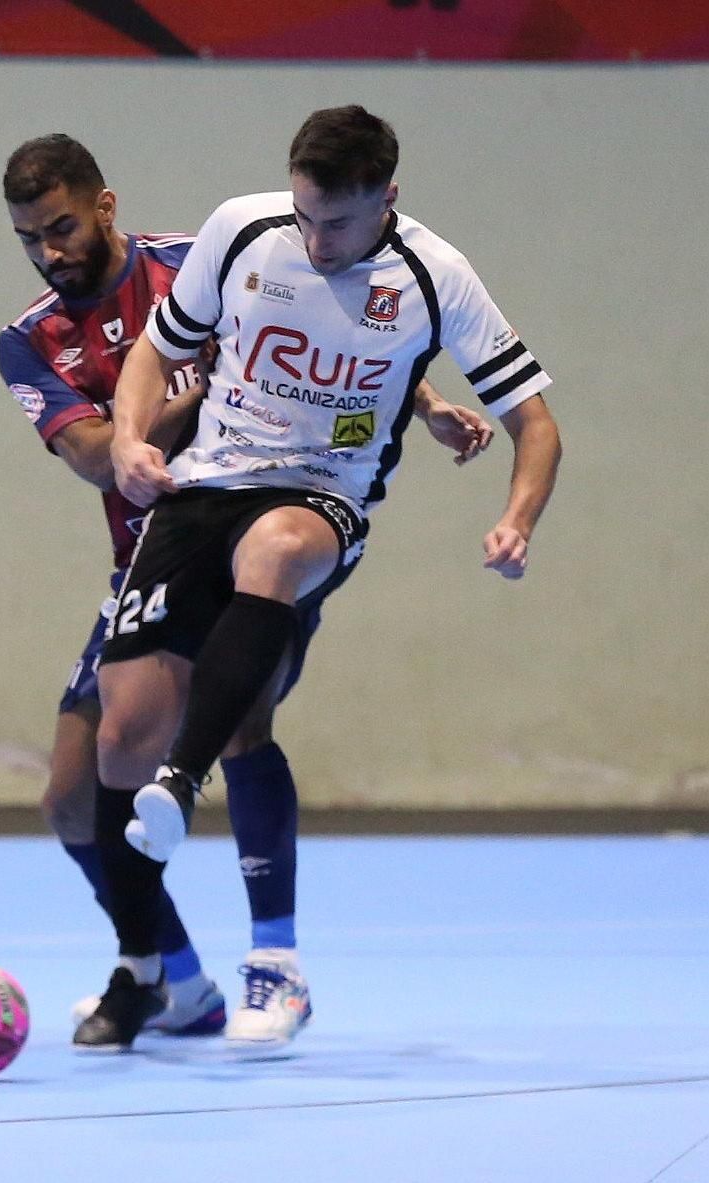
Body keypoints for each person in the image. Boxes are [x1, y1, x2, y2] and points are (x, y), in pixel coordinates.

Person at [72, 105, 561, 1052]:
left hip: (320, 498)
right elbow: (160, 348)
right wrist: (131, 440)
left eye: (336, 222)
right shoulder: (242, 229)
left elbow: (534, 422)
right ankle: (151, 961)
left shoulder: (435, 275)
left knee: (274, 561)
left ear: (387, 197)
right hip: (204, 486)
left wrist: (515, 518)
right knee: (119, 736)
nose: (316, 238)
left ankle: (216, 843)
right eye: (305, 215)